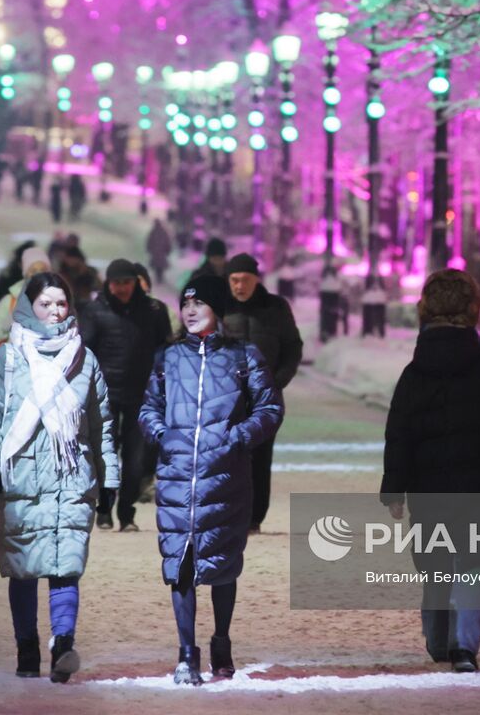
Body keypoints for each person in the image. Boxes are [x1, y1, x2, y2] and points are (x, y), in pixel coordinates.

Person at [0, 272, 118, 683]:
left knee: (66, 565)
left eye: (61, 303)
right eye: (46, 303)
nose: (55, 311)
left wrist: (109, 479)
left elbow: (101, 424)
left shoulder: (83, 359)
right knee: (24, 568)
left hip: (71, 475)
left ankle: (63, 644)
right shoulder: (7, 358)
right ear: (27, 308)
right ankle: (27, 648)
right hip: (20, 480)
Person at [380, 269, 480, 673]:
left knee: (437, 561)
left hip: (430, 491)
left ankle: (437, 639)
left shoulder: (414, 373)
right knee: (477, 563)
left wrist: (394, 490)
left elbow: (399, 435)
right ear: (473, 312)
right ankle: (465, 645)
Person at [138, 275, 284, 685]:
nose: (189, 311)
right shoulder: (168, 358)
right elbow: (148, 406)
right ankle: (186, 653)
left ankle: (221, 641)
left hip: (225, 477)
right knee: (180, 563)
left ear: (216, 310)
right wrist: (162, 434)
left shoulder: (243, 356)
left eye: (199, 303)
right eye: (185, 304)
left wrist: (238, 437)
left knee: (221, 565)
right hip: (177, 476)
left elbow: (270, 408)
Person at [79, 259, 173, 532]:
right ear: (108, 283)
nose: (122, 288)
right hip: (104, 396)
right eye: (117, 283)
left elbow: (164, 350)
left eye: (127, 283)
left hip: (142, 396)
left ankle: (127, 512)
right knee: (105, 454)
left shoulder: (154, 312)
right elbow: (84, 351)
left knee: (135, 460)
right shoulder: (95, 312)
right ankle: (105, 509)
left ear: (136, 283)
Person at [222, 253, 304, 533]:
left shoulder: (276, 308)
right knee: (226, 456)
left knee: (260, 456)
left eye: (245, 280)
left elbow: (293, 347)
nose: (239, 286)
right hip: (225, 400)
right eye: (234, 280)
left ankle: (254, 517)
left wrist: (278, 381)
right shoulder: (218, 308)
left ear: (256, 279)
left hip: (264, 399)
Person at [0, 246, 50, 368]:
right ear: (25, 272)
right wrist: (6, 325)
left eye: (42, 269)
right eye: (33, 270)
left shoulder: (58, 300)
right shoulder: (11, 300)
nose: (37, 275)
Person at [58, 247, 101, 312]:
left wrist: (84, 273)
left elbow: (99, 286)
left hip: (86, 304)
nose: (67, 260)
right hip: (70, 304)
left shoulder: (90, 271)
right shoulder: (64, 273)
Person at [146, 219, 173, 285]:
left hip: (158, 253)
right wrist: (168, 250)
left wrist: (149, 249)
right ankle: (159, 278)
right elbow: (168, 242)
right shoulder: (162, 232)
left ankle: (159, 278)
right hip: (160, 253)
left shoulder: (154, 232)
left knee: (158, 266)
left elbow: (149, 241)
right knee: (159, 266)